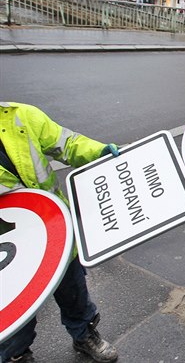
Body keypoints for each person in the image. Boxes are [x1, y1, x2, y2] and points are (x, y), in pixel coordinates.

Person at [0, 102, 120, 362]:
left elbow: (67, 144)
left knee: (74, 292)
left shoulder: (20, 116)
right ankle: (16, 355)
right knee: (14, 312)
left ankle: (85, 335)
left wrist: (98, 151)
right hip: (9, 250)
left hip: (55, 232)